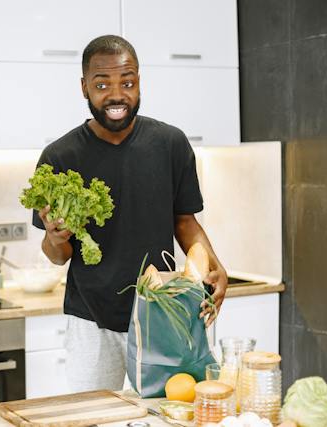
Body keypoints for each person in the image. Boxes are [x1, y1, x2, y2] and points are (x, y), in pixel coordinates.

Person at [31, 35, 228, 392]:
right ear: (84, 88)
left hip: (162, 314)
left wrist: (215, 266)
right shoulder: (60, 156)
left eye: (128, 82)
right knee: (91, 417)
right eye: (102, 84)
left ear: (139, 82)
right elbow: (57, 256)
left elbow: (185, 221)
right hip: (92, 322)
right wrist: (54, 237)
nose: (116, 95)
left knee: (164, 413)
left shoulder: (170, 143)